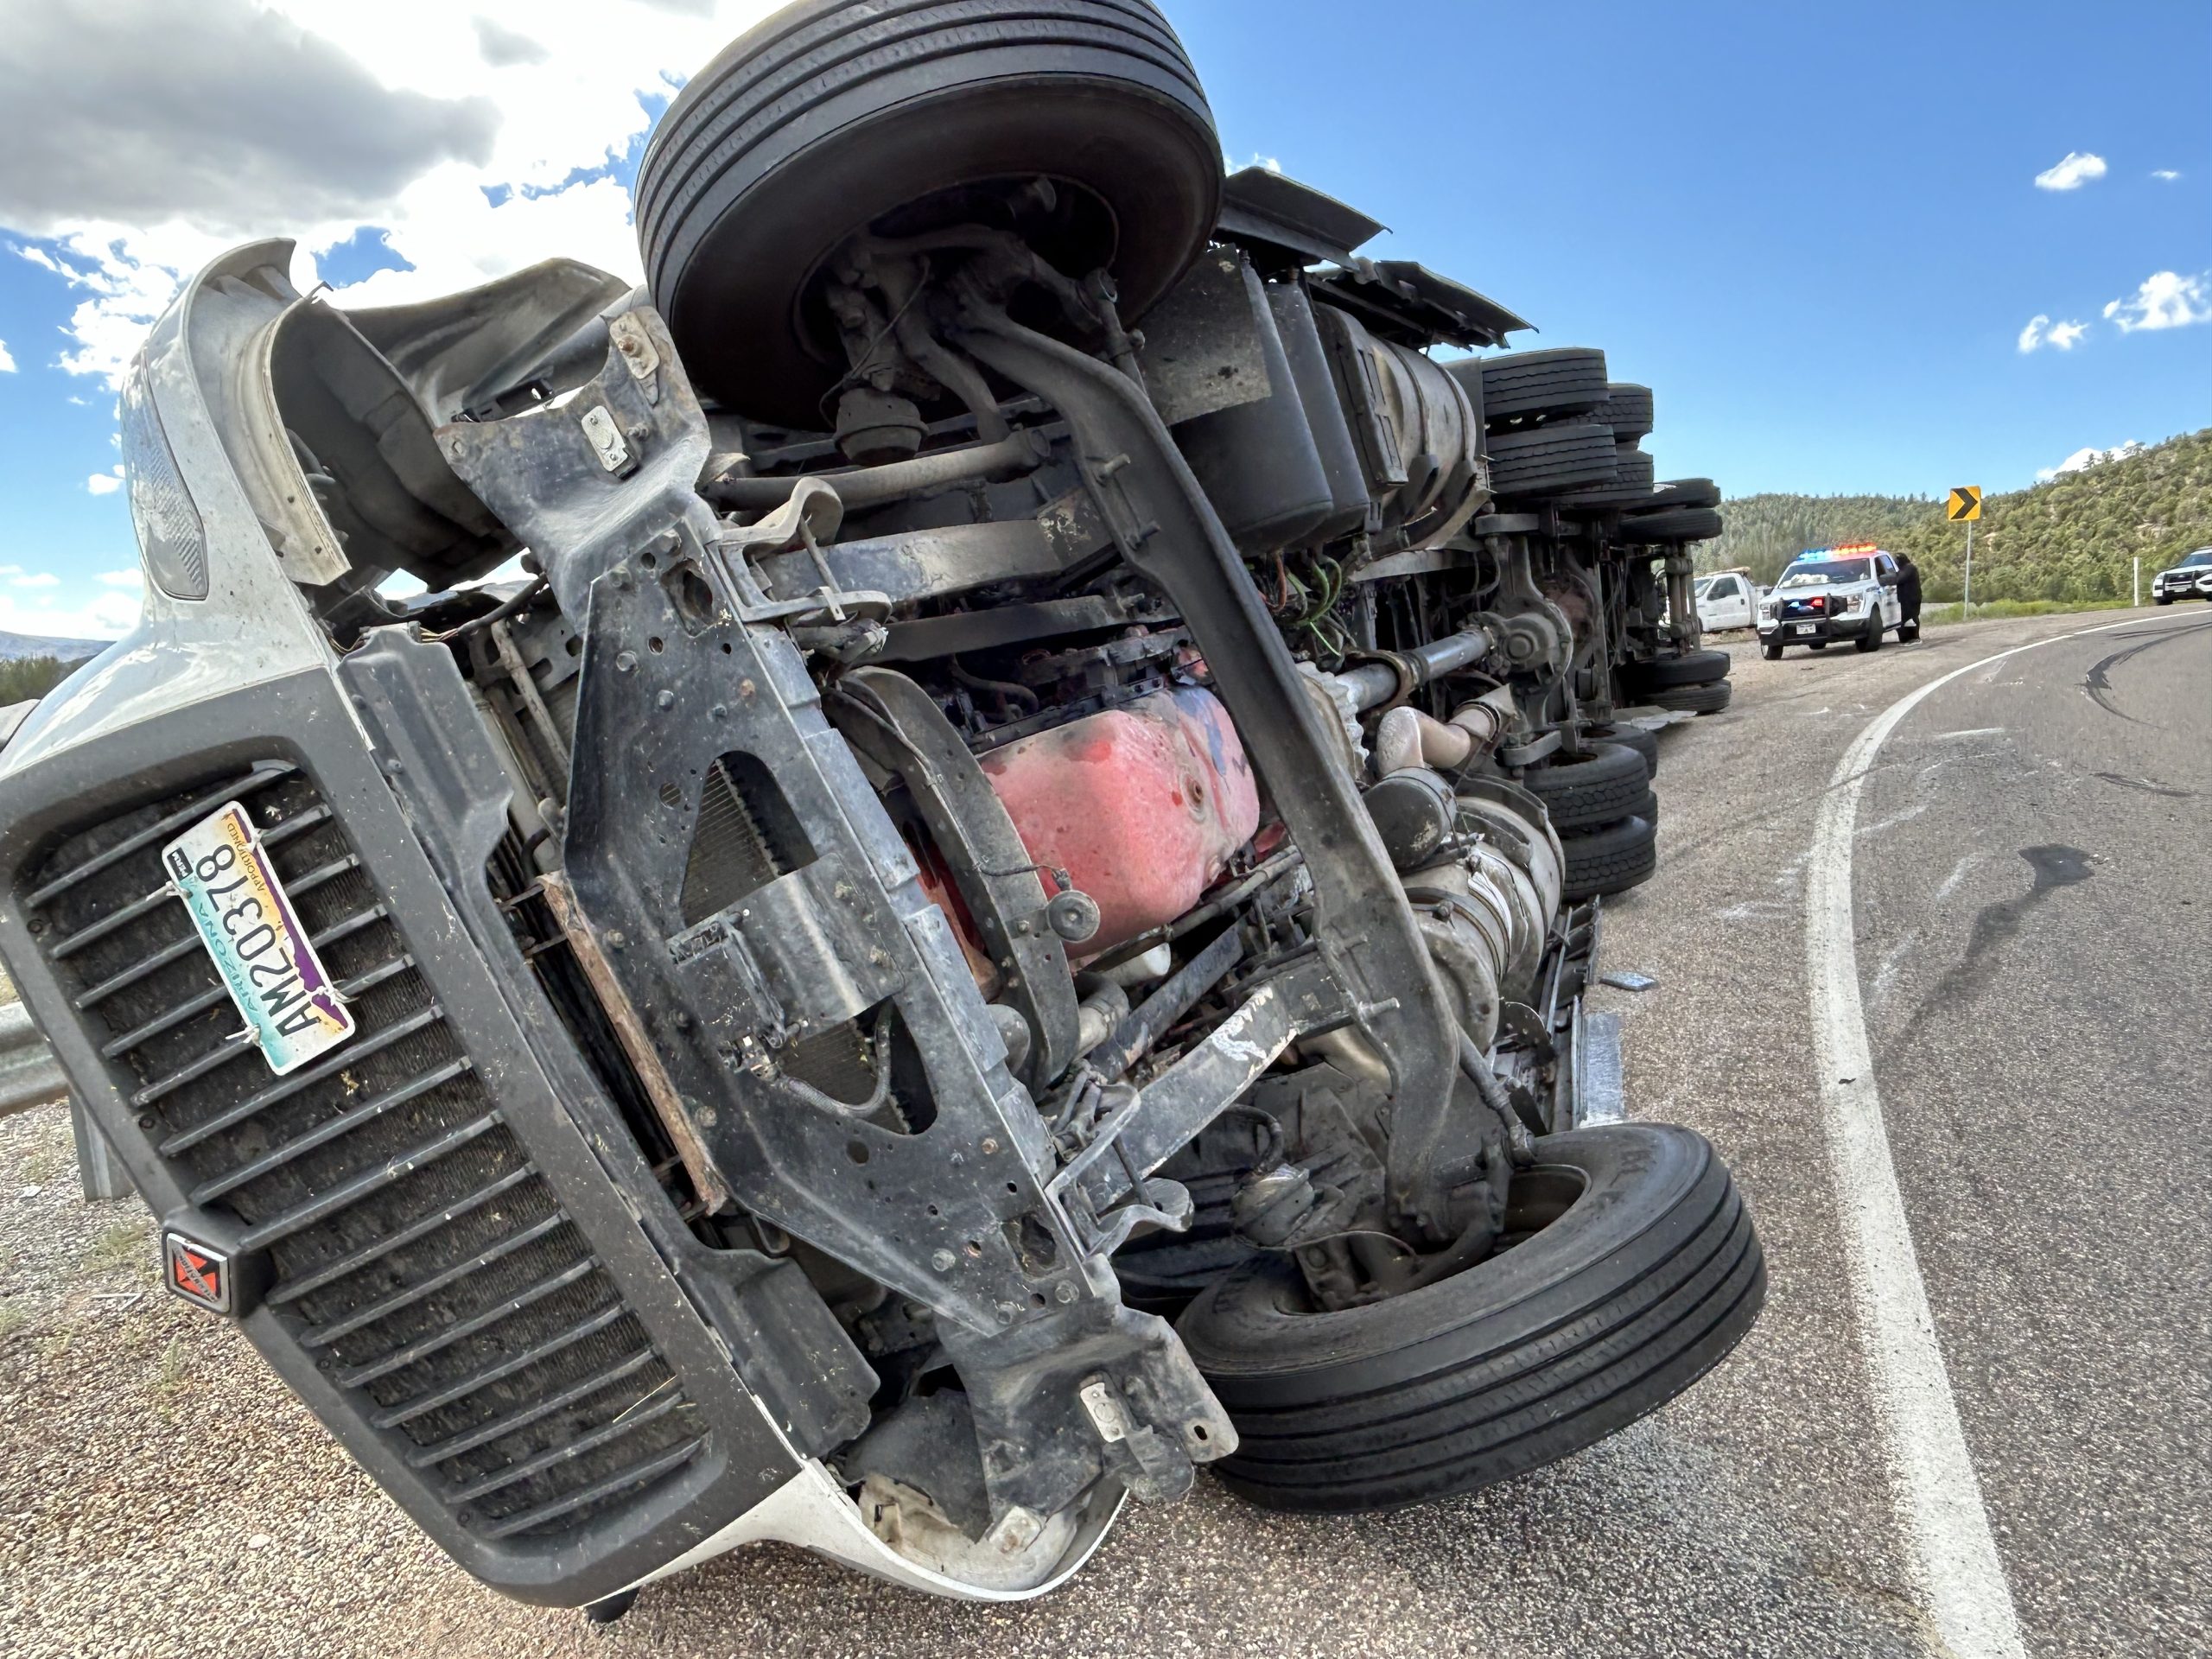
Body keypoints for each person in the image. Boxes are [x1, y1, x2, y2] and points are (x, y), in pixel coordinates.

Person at [1894, 552, 1923, 631]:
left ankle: (1915, 636)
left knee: (1912, 617)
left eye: (1896, 561)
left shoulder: (1909, 568)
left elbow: (1900, 579)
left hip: (1912, 598)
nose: (1896, 563)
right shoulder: (1904, 569)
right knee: (1906, 619)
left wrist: (1889, 577)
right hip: (1907, 599)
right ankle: (1908, 636)